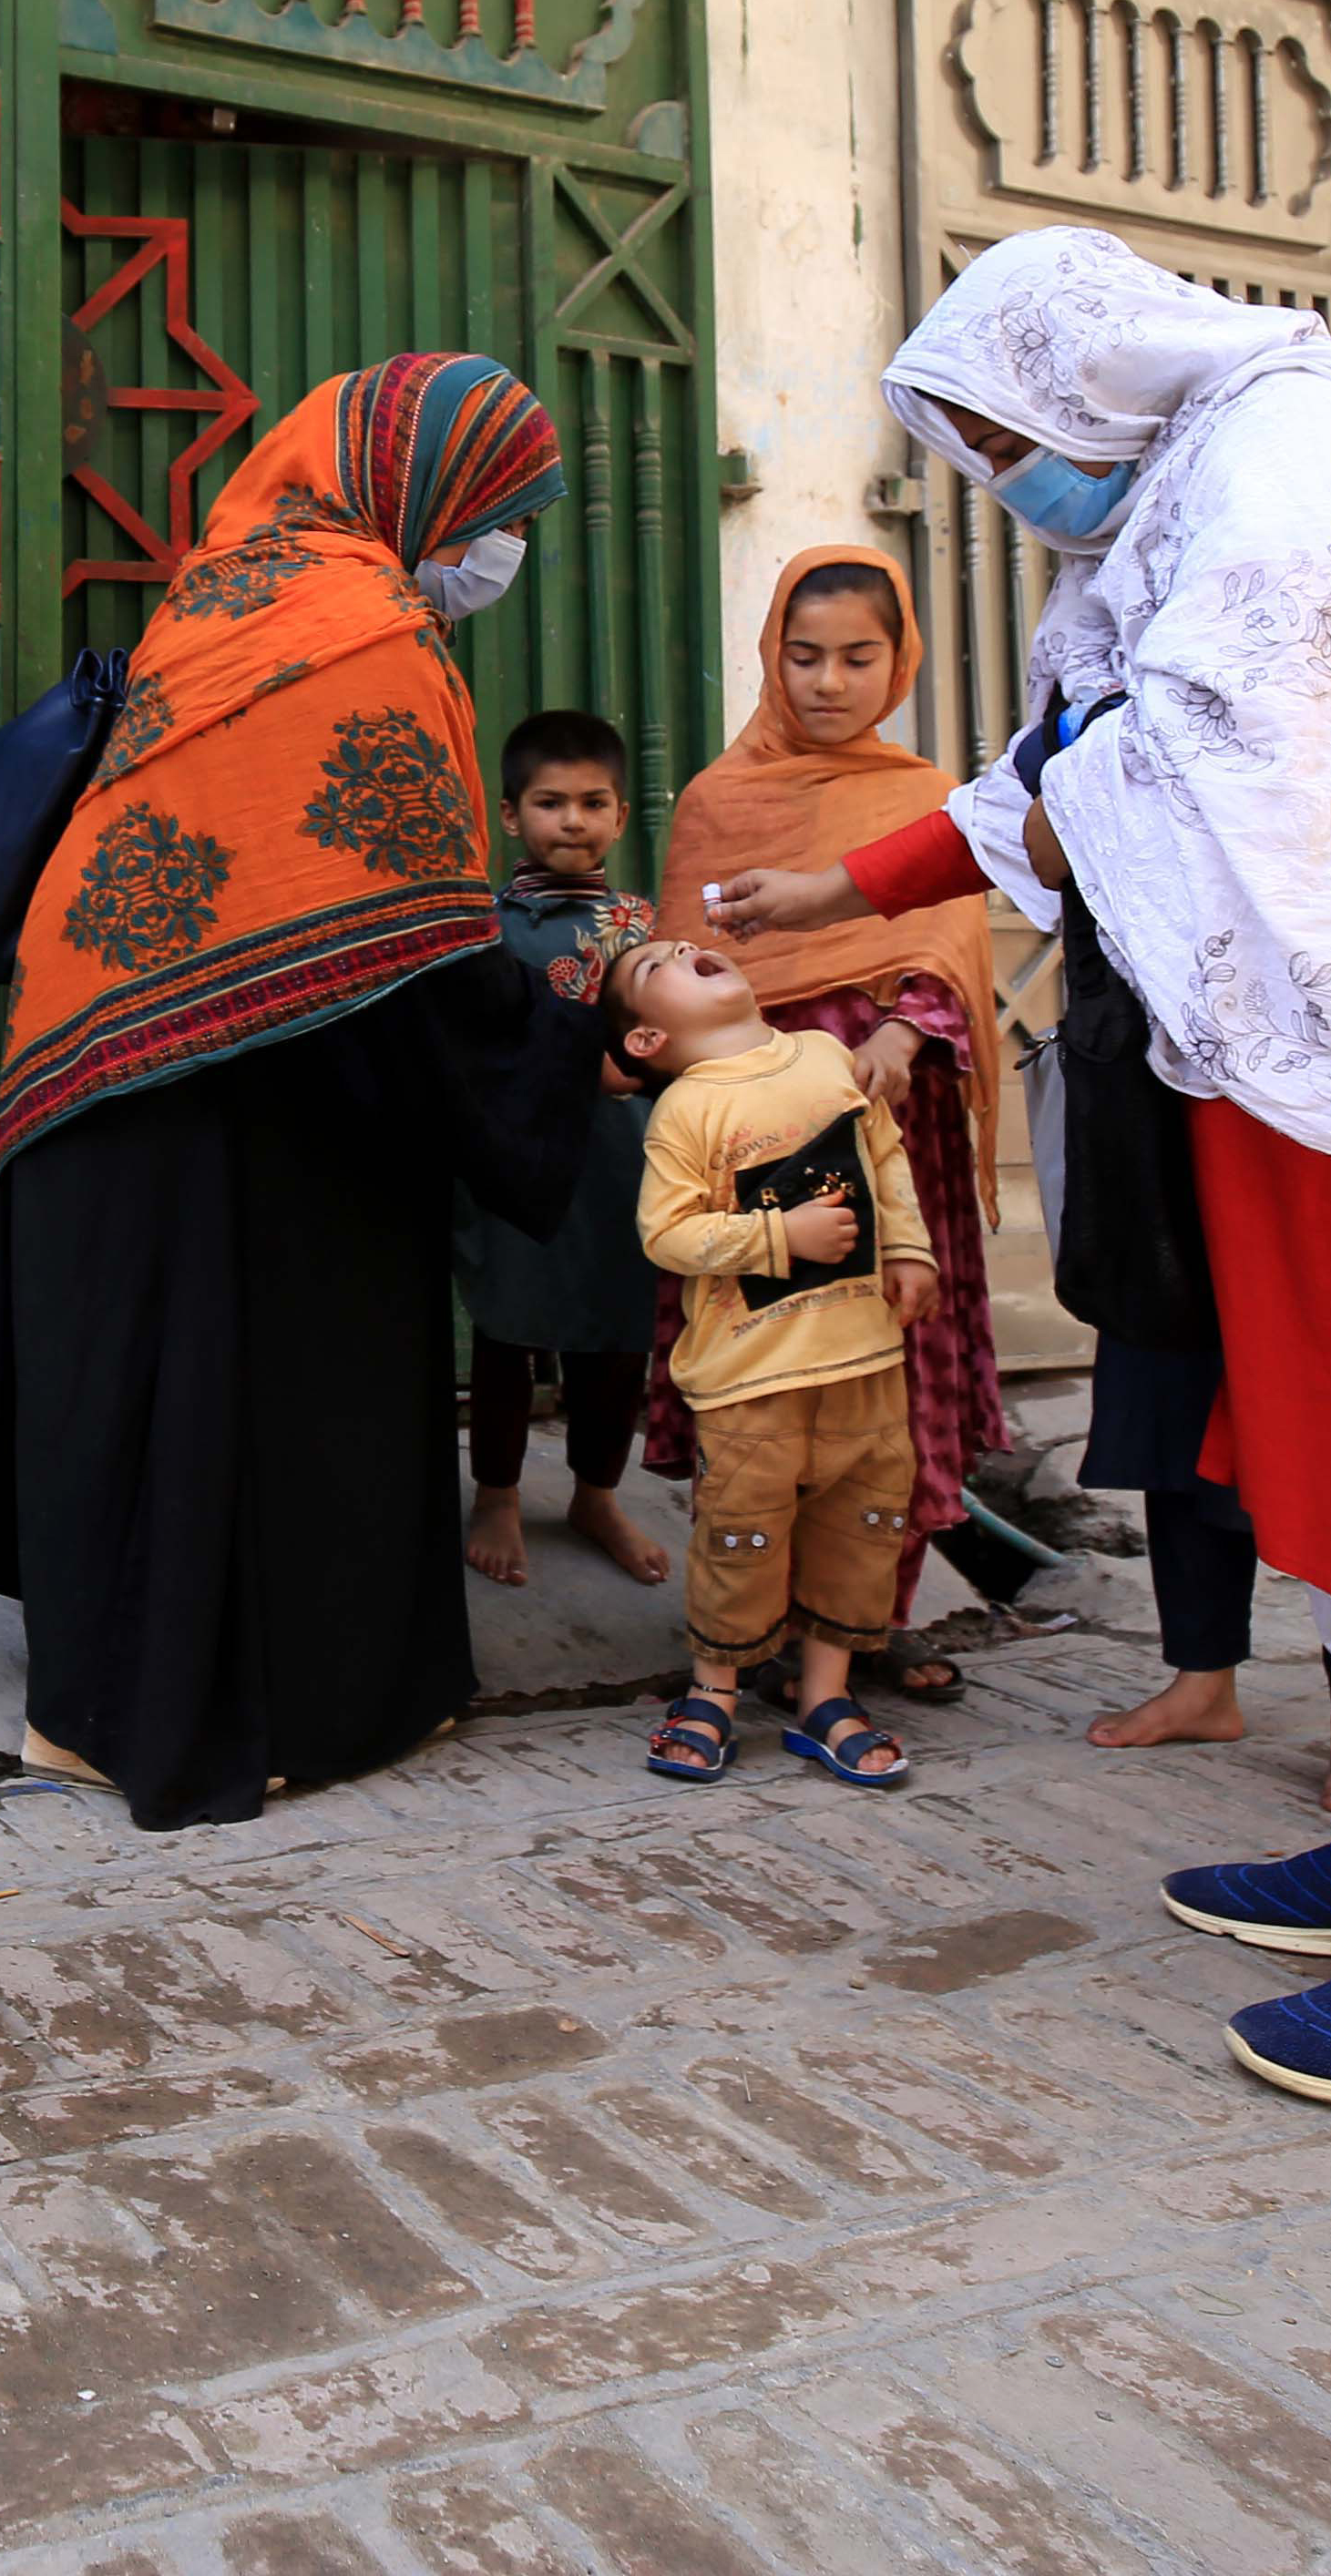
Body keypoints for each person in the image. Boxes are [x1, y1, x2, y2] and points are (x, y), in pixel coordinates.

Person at [707, 229, 1331, 2118]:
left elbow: (1226, 751)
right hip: (1328, 1048)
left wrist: (1054, 787)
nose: (1008, 486)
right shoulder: (1196, 483)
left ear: (1089, 371)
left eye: (1005, 439)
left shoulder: (1295, 448)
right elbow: (1076, 766)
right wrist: (855, 880)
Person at [0, 353, 606, 1829]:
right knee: (239, 1409)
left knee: (130, 1403)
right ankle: (222, 1718)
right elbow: (411, 940)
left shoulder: (226, 586)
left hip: (98, 1072)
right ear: (422, 490)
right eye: (498, 512)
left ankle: (84, 1701)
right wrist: (578, 1034)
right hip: (240, 1110)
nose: (500, 549)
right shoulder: (370, 636)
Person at [651, 543, 1054, 1698]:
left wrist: (903, 1032)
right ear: (772, 656)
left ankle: (879, 1617)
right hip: (762, 1157)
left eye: (859, 657)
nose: (831, 681)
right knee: (774, 1383)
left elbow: (952, 947)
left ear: (900, 662)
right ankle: (762, 1627)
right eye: (805, 654)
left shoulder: (926, 801)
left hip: (894, 1143)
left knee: (894, 1375)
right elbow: (688, 966)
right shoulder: (719, 803)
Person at [607, 936, 941, 1787]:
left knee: (862, 1532)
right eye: (656, 966)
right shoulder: (685, 1111)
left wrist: (907, 1247)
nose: (685, 948)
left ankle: (825, 1696)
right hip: (750, 1380)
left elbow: (885, 1159)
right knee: (739, 1538)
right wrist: (777, 1237)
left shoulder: (827, 1057)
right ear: (646, 1040)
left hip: (864, 1359)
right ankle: (714, 1690)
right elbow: (666, 1234)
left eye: (685, 944)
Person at [460, 708, 668, 1591]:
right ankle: (497, 1495)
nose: (572, 821)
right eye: (550, 803)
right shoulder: (486, 927)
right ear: (511, 817)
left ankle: (596, 1493)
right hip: (515, 1164)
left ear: (622, 816)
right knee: (509, 1330)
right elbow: (477, 1047)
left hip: (622, 1165)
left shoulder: (646, 928)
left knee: (617, 1340)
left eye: (592, 803)